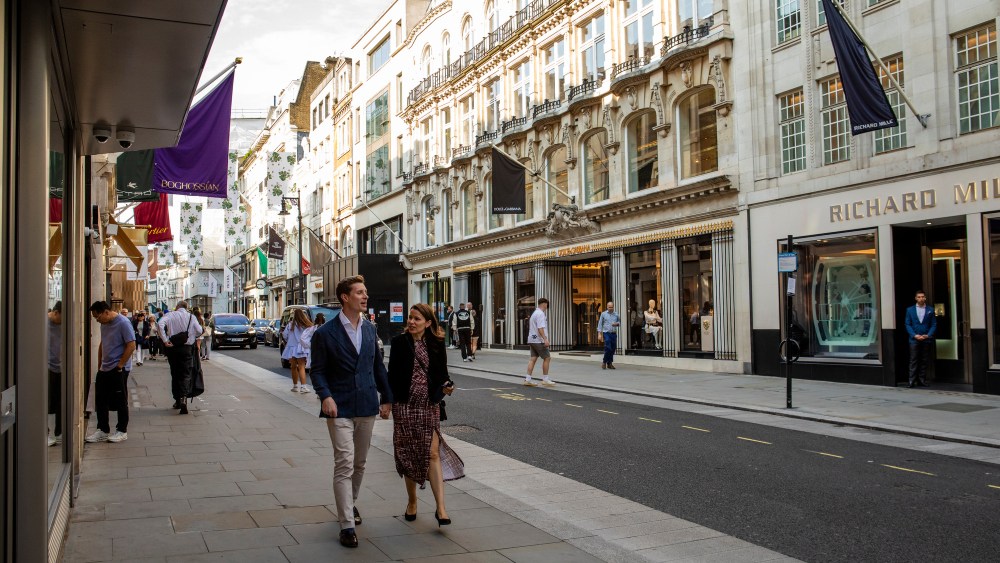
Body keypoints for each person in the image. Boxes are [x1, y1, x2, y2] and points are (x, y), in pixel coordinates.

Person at [309, 276, 392, 549]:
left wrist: (386, 398)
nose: (365, 296)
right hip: (339, 406)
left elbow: (378, 366)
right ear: (345, 297)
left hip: (367, 403)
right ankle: (346, 524)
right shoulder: (324, 333)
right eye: (359, 292)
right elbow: (318, 371)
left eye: (365, 292)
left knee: (360, 463)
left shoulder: (370, 330)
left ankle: (350, 503)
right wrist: (326, 396)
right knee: (344, 462)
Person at [388, 303, 464, 525]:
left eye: (417, 319)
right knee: (409, 453)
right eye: (410, 318)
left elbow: (443, 376)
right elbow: (391, 376)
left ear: (428, 323)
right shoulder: (399, 343)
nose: (411, 322)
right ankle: (412, 501)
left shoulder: (437, 345)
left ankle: (441, 509)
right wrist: (387, 403)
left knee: (432, 453)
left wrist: (447, 386)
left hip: (428, 406)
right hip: (404, 406)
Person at [86, 301, 135, 443]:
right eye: (94, 317)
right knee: (101, 399)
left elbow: (131, 345)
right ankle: (102, 430)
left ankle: (122, 430)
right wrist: (100, 363)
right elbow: (103, 343)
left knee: (120, 400)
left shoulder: (123, 323)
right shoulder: (104, 324)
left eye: (98, 316)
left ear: (106, 312)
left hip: (118, 368)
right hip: (105, 368)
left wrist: (120, 365)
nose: (97, 319)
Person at [158, 300, 203, 415]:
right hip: (186, 349)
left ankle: (177, 400)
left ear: (177, 307)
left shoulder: (170, 315)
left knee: (175, 373)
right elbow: (199, 330)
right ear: (186, 307)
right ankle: (183, 397)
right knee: (186, 373)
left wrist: (165, 340)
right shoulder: (191, 317)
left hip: (173, 348)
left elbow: (160, 324)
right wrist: (192, 335)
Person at [904, 290, 936, 388]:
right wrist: (914, 335)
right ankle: (911, 380)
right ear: (915, 298)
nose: (921, 298)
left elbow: (934, 324)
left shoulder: (930, 310)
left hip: (926, 338)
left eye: (922, 297)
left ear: (925, 298)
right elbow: (907, 324)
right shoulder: (910, 310)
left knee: (924, 360)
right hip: (914, 339)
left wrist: (928, 335)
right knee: (913, 360)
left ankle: (922, 380)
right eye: (919, 297)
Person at [525, 298, 555, 387]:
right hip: (539, 340)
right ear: (544, 304)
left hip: (532, 339)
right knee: (547, 358)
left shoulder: (534, 313)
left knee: (533, 358)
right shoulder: (541, 314)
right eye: (547, 305)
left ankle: (528, 379)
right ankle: (545, 379)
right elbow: (540, 328)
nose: (547, 307)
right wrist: (545, 339)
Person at [283, 309, 314, 393]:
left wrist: (289, 340)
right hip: (301, 348)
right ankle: (303, 387)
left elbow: (284, 335)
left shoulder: (290, 325)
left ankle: (295, 386)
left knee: (293, 367)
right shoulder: (306, 325)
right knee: (301, 367)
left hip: (291, 347)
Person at [47, 302, 63, 447]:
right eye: (61, 318)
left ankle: (59, 432)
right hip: (46, 368)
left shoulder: (64, 324)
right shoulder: (42, 323)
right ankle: (46, 433)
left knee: (60, 401)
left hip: (61, 368)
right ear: (56, 312)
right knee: (47, 402)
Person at [597, 301, 621, 370]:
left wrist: (616, 324)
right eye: (609, 307)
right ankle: (604, 362)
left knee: (613, 348)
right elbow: (600, 324)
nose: (610, 308)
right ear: (607, 307)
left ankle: (609, 363)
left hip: (613, 333)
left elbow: (619, 323)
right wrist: (599, 334)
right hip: (606, 333)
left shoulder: (616, 314)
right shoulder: (603, 314)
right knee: (608, 347)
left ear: (613, 307)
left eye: (612, 307)